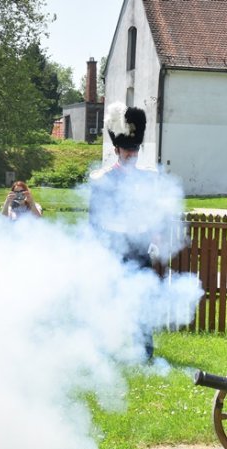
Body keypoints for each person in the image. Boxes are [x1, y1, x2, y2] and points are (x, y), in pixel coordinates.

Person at [89, 102, 160, 360]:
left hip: (140, 249)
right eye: (127, 150)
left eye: (135, 150)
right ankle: (107, 349)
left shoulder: (148, 178)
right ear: (117, 149)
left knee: (141, 299)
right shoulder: (102, 179)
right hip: (112, 249)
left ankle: (144, 351)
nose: (132, 154)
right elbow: (95, 220)